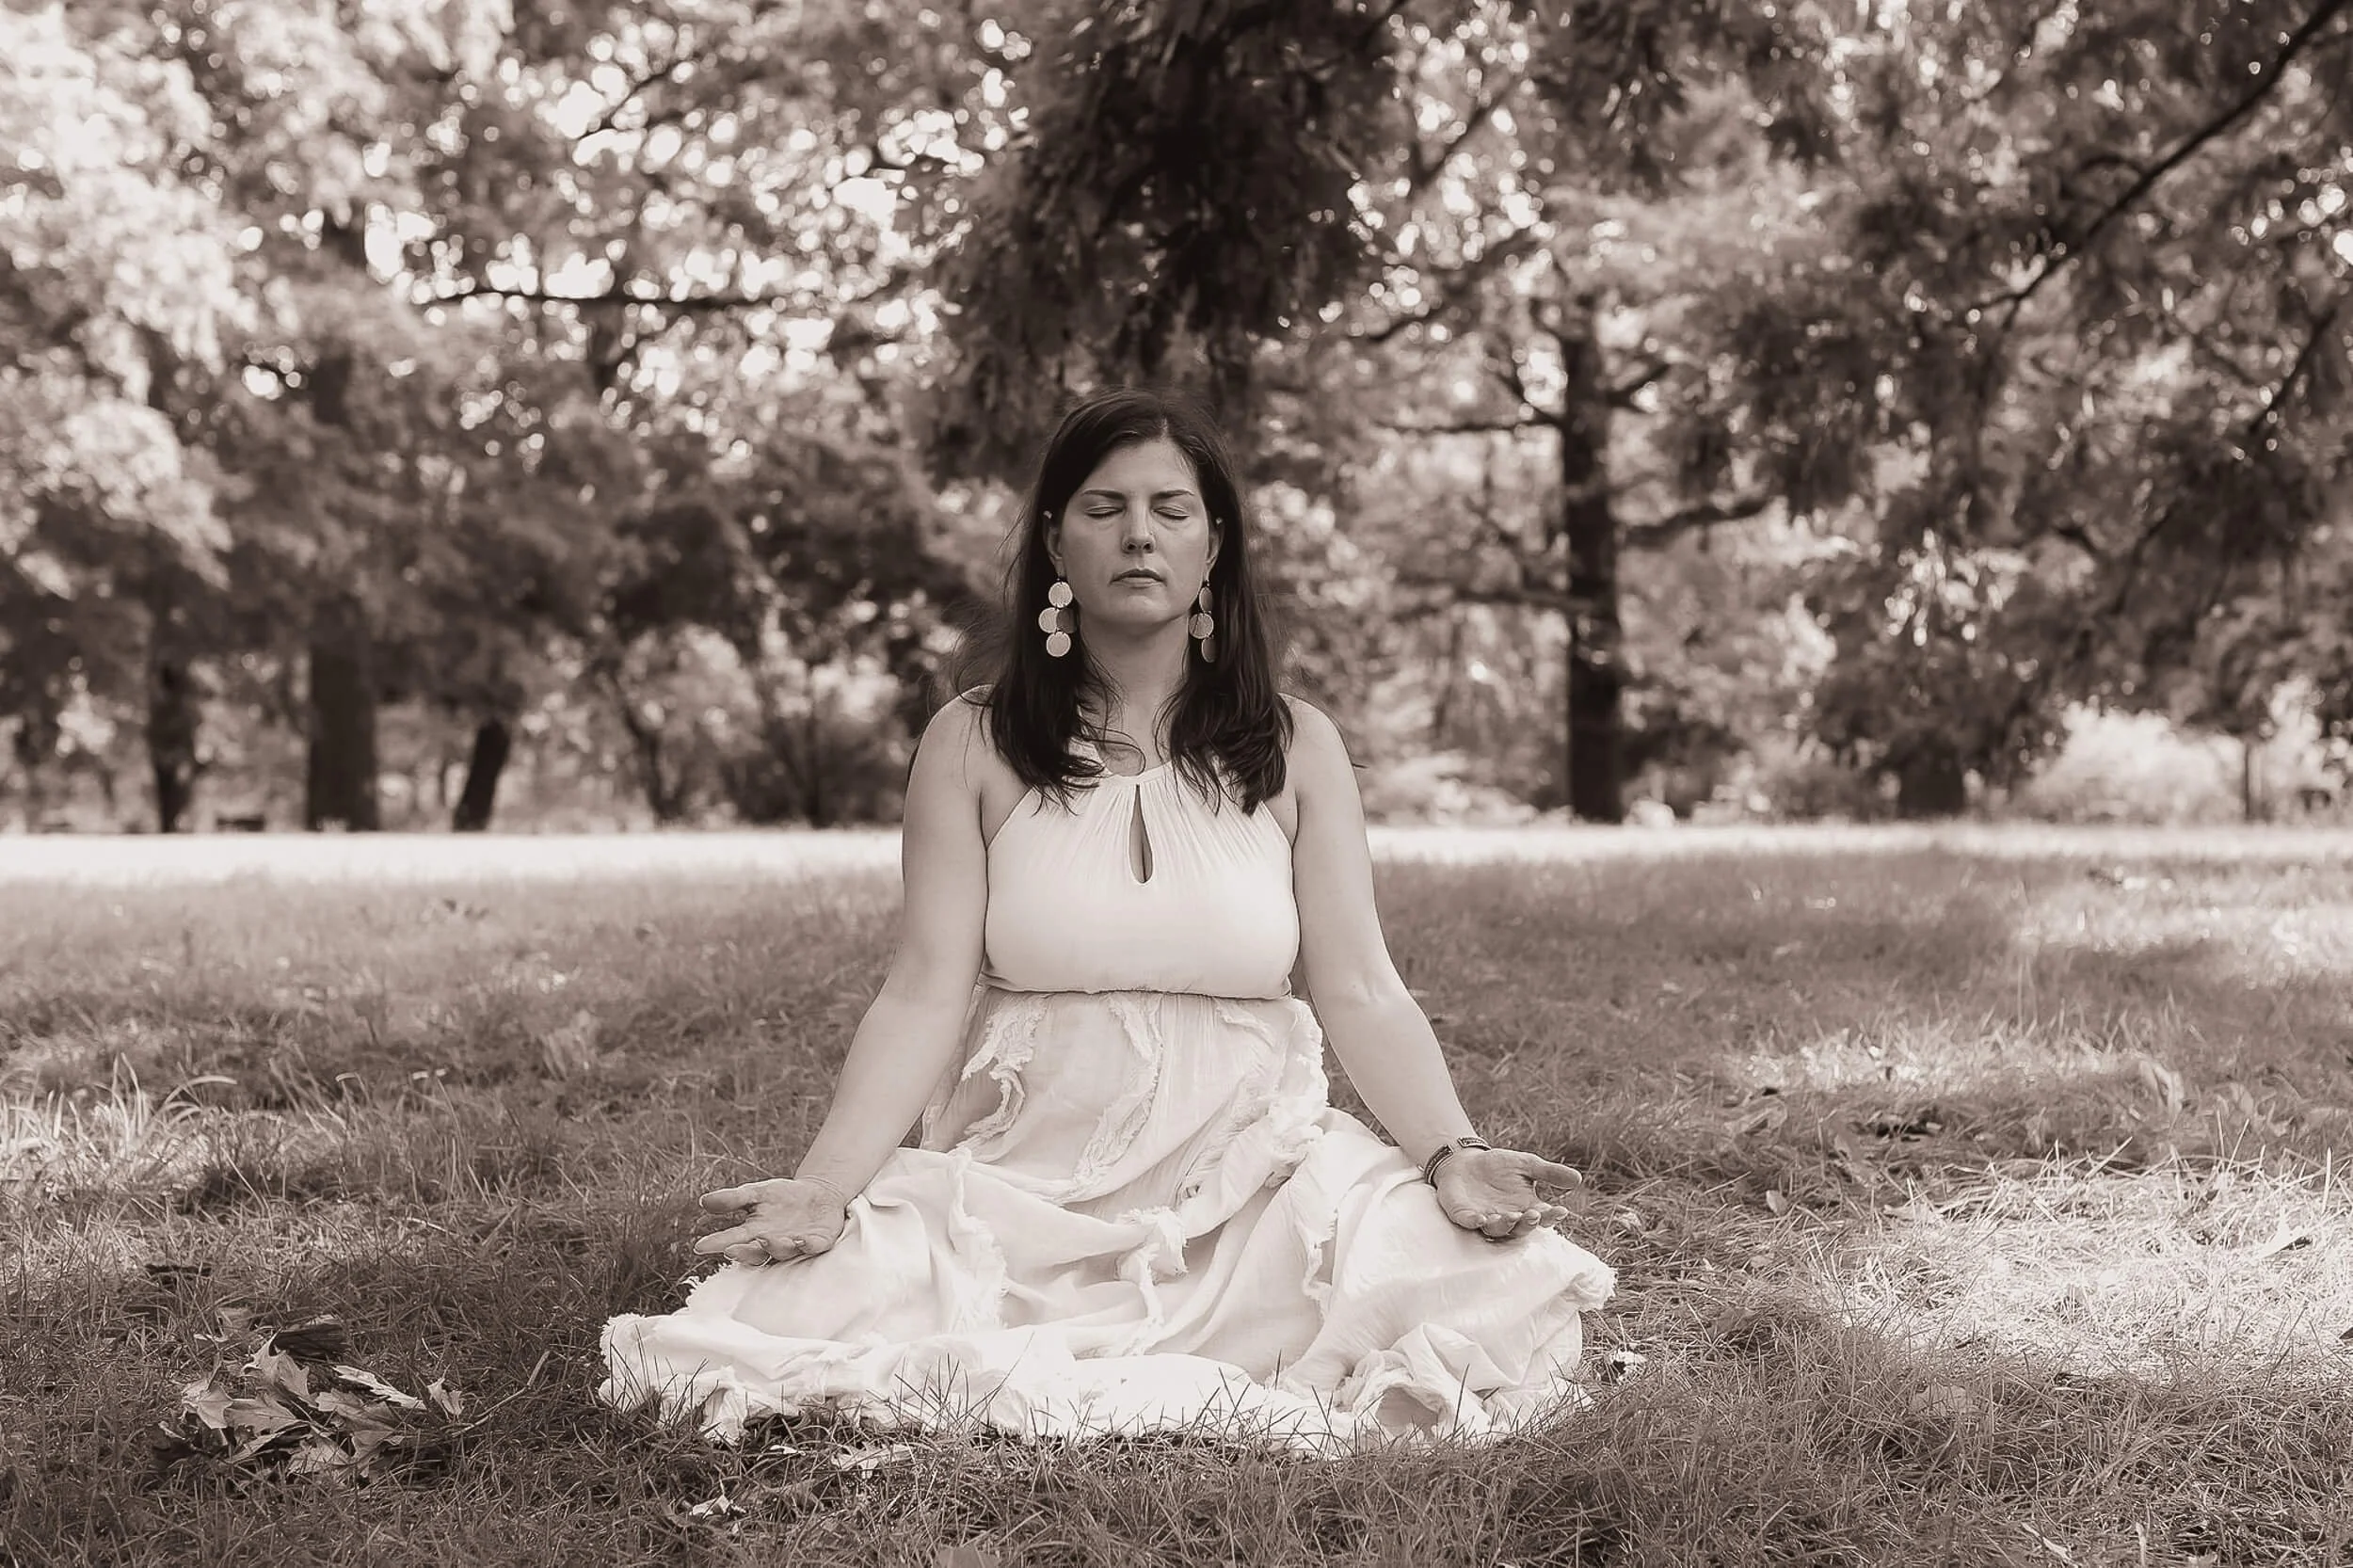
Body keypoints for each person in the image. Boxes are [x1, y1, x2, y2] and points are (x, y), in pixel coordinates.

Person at [600, 389, 1611, 1451]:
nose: (1139, 533)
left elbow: (1361, 987)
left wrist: (1450, 1152)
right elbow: (923, 990)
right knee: (798, 1303)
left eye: (1172, 509)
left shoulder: (1295, 746)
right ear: (1054, 542)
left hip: (1249, 1182)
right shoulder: (971, 743)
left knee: (1470, 1272)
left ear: (1213, 545)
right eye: (1103, 506)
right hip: (1025, 1181)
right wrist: (825, 1188)